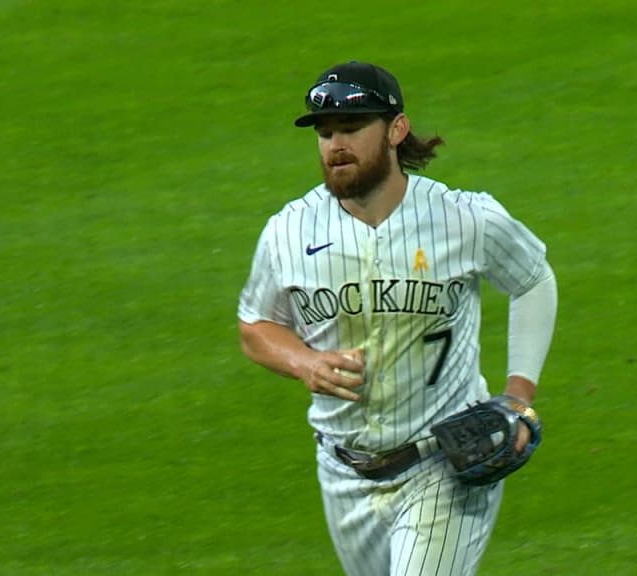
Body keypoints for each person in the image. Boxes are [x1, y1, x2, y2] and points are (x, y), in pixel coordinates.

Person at [237, 61, 558, 576]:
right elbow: (256, 326)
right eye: (325, 133)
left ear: (395, 130)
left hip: (444, 464)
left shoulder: (464, 218)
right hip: (343, 472)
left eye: (351, 128)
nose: (335, 144)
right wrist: (304, 363)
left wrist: (519, 399)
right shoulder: (288, 231)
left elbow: (533, 279)